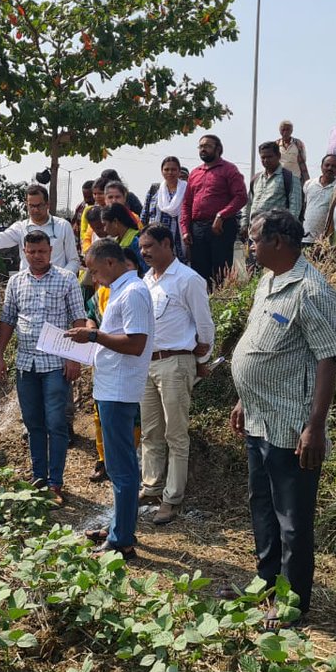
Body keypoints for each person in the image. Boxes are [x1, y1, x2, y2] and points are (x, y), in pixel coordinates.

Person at [229, 209, 336, 624]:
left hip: (291, 426)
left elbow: (328, 359)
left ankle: (292, 602)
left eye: (255, 238)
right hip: (258, 418)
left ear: (279, 241)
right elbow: (260, 343)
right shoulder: (268, 280)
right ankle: (266, 582)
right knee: (261, 505)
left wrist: (314, 426)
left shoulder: (312, 291)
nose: (251, 245)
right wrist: (244, 397)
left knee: (292, 521)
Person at [67, 239, 154, 560]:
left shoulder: (134, 292)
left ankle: (123, 541)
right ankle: (119, 526)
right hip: (110, 386)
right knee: (119, 467)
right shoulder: (121, 289)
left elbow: (135, 343)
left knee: (122, 468)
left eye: (93, 270)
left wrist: (93, 335)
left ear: (110, 263)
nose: (92, 277)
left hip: (120, 389)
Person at [0, 231, 86, 502]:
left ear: (51, 250)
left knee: (56, 423)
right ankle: (39, 477)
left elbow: (78, 321)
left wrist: (73, 357)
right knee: (33, 423)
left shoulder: (67, 279)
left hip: (56, 364)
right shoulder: (16, 282)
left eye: (42, 251)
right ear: (24, 251)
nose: (37, 256)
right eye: (31, 251)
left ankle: (55, 482)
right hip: (26, 364)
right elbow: (8, 320)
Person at [138, 225, 215, 526]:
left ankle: (172, 498)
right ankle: (152, 486)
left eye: (149, 247)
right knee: (150, 431)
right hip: (148, 363)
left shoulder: (188, 279)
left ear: (167, 244)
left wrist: (201, 361)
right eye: (142, 247)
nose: (143, 252)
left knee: (175, 434)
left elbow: (205, 327)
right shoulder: (147, 280)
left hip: (176, 362)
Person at [181, 133, 248, 289]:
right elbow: (186, 203)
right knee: (198, 273)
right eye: (201, 146)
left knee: (220, 273)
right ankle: (201, 308)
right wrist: (185, 230)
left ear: (218, 149)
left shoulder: (229, 169)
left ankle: (218, 306)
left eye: (207, 146)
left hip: (221, 227)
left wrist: (221, 215)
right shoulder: (195, 173)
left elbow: (241, 197)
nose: (203, 149)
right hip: (197, 229)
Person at [0, 183, 80, 274]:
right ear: (26, 205)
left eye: (39, 205)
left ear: (47, 205)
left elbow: (74, 261)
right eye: (31, 206)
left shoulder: (63, 226)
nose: (35, 210)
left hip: (57, 289)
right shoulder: (20, 228)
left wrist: (62, 280)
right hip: (28, 289)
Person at [246, 141, 304, 230]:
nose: (266, 160)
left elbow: (295, 209)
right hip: (254, 231)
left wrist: (288, 231)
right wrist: (244, 224)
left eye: (269, 157)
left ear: (278, 156)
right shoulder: (256, 179)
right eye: (263, 157)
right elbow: (248, 203)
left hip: (276, 233)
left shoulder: (290, 178)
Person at [142, 156, 188, 261]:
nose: (170, 172)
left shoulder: (187, 190)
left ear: (179, 171)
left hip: (178, 242)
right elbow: (144, 215)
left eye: (173, 169)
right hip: (154, 238)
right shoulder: (155, 189)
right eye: (166, 169)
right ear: (162, 171)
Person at [302, 154, 336, 243]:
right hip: (306, 237)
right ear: (321, 166)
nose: (330, 168)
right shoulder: (309, 184)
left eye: (334, 166)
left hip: (325, 241)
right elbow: (304, 207)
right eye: (327, 165)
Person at [102, 203, 146, 273]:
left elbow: (145, 269)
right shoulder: (116, 243)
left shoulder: (136, 241)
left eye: (105, 224)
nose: (104, 229)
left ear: (115, 222)